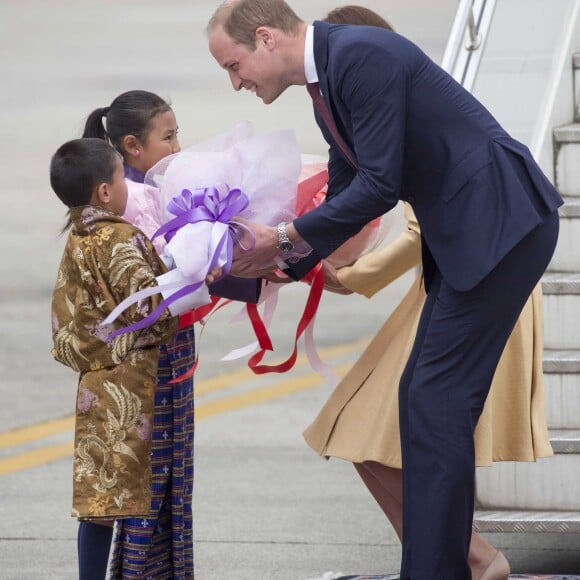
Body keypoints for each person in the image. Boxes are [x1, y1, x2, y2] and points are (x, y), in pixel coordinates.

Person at [206, 1, 562, 577]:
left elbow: (379, 185)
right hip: (472, 235)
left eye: (233, 64)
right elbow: (348, 191)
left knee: (436, 403)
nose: (235, 81)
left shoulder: (358, 57)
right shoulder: (327, 82)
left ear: (266, 38)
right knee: (422, 403)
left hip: (500, 225)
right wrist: (284, 262)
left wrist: (278, 236)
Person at [81, 90, 261, 578]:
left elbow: (203, 269)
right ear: (133, 146)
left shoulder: (173, 193)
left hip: (173, 352)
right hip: (131, 362)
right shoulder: (116, 208)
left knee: (169, 476)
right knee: (115, 483)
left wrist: (268, 268)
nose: (179, 146)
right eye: (169, 136)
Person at [49, 138, 179, 580]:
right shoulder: (122, 238)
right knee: (130, 493)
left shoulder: (77, 241)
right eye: (122, 177)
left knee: (99, 501)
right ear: (104, 192)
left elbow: (65, 324)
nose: (127, 186)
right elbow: (152, 310)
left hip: (93, 385)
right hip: (131, 387)